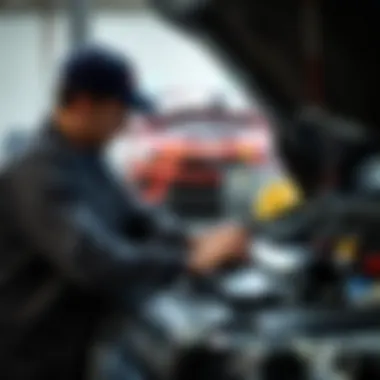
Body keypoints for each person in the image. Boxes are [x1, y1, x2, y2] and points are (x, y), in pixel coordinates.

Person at [0, 46, 248, 380]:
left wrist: (193, 240)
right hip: (36, 359)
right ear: (84, 104)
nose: (125, 125)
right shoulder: (37, 171)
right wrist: (187, 261)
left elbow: (136, 217)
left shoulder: (86, 158)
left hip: (83, 347)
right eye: (120, 112)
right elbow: (92, 259)